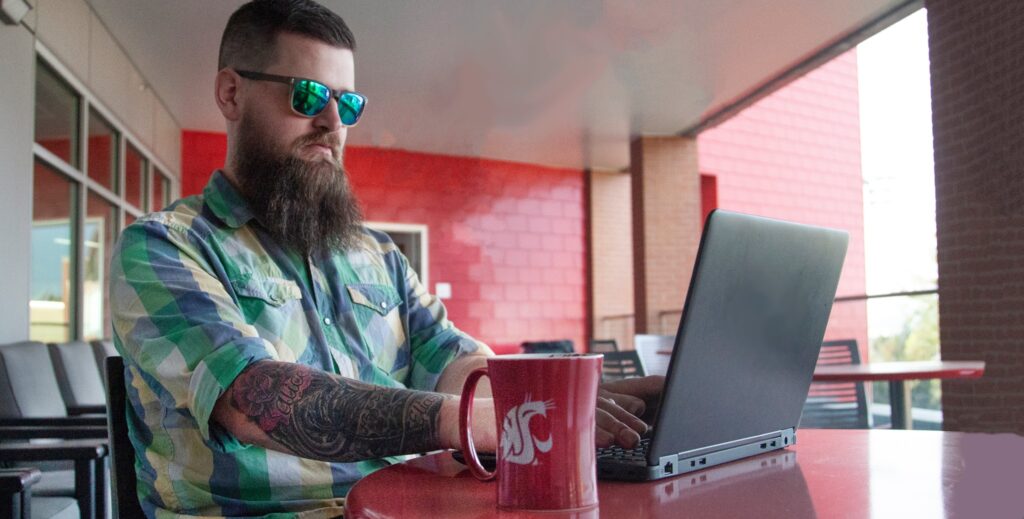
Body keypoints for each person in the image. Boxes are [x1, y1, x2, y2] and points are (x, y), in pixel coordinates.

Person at [110, 1, 661, 517]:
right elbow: (252, 398)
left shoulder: (378, 256)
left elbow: (454, 360)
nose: (333, 122)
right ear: (231, 94)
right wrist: (474, 420)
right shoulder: (165, 248)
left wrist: (557, 400)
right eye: (307, 96)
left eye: (348, 103)